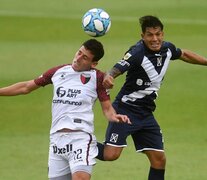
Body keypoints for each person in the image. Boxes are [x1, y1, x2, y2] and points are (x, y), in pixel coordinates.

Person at [0, 39, 131, 180]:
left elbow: (107, 109)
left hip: (80, 137)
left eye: (85, 57)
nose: (78, 58)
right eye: (79, 52)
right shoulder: (58, 72)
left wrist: (114, 117)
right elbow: (26, 87)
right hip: (56, 140)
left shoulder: (98, 78)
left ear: (93, 64)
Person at [96, 15, 207, 180]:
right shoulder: (136, 52)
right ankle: (79, 141)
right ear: (143, 36)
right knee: (111, 154)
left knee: (159, 159)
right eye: (150, 35)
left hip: (146, 114)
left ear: (163, 34)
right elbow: (117, 68)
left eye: (158, 34)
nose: (155, 39)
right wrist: (109, 76)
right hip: (125, 111)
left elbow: (184, 54)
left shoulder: (167, 49)